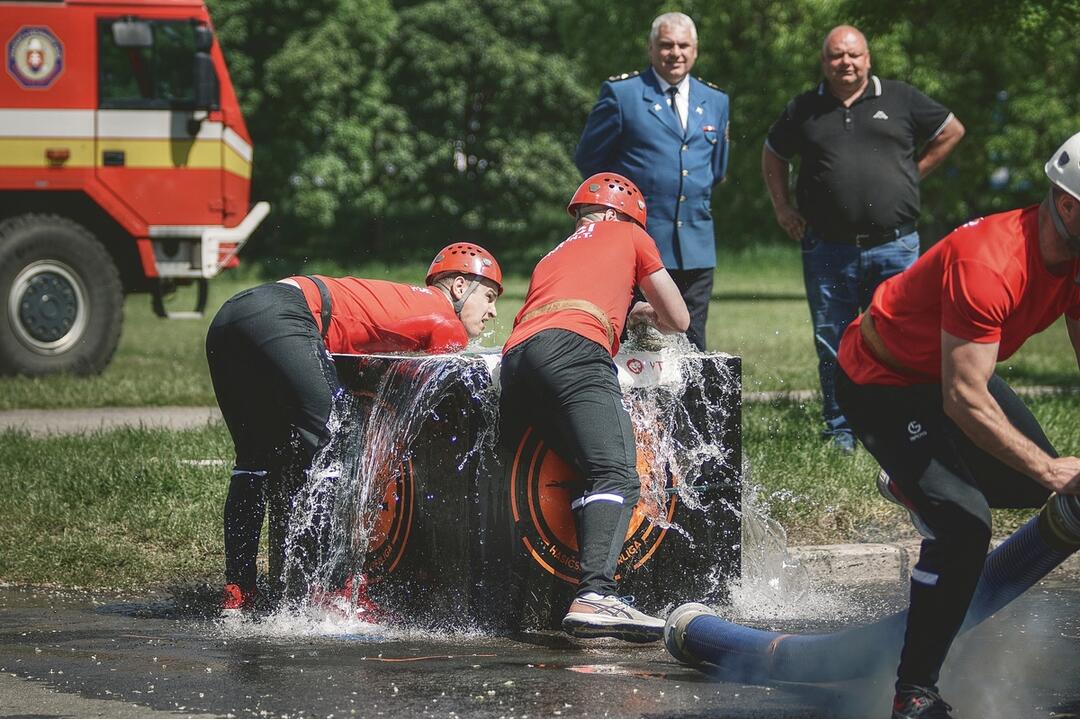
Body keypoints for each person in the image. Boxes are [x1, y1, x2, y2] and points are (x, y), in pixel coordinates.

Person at [834, 132, 1080, 718]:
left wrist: (1043, 475)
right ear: (1068, 204)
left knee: (1028, 489)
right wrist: (1051, 467)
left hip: (944, 371)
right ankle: (913, 693)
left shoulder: (1074, 260)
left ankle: (909, 483)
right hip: (882, 380)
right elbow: (964, 399)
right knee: (966, 525)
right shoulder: (991, 261)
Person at [206, 243, 502, 615]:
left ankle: (239, 592)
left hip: (233, 314)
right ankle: (337, 592)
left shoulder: (411, 302)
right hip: (285, 315)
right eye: (489, 297)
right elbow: (441, 388)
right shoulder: (445, 320)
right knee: (341, 442)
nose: (492, 311)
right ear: (459, 287)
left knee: (252, 463)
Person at [499, 172, 689, 642]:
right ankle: (597, 595)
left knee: (588, 471)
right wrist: (645, 311)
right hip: (574, 351)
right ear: (618, 214)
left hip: (518, 359)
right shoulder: (630, 233)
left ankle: (582, 590)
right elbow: (679, 318)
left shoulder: (554, 253)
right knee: (617, 473)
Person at [762, 24, 965, 452]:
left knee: (902, 338)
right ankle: (841, 429)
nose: (846, 63)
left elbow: (952, 131)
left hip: (895, 246)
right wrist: (783, 208)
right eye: (836, 55)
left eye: (853, 55)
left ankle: (905, 424)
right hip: (827, 247)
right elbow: (773, 153)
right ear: (824, 62)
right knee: (832, 339)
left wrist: (911, 174)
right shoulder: (804, 108)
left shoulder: (901, 98)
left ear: (868, 58)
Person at [574, 12, 729, 352]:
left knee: (692, 339)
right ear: (651, 49)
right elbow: (590, 162)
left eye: (683, 45)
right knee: (635, 338)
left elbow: (715, 170)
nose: (675, 53)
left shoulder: (716, 101)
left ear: (696, 50)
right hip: (637, 241)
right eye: (666, 45)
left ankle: (692, 406)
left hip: (696, 243)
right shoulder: (622, 94)